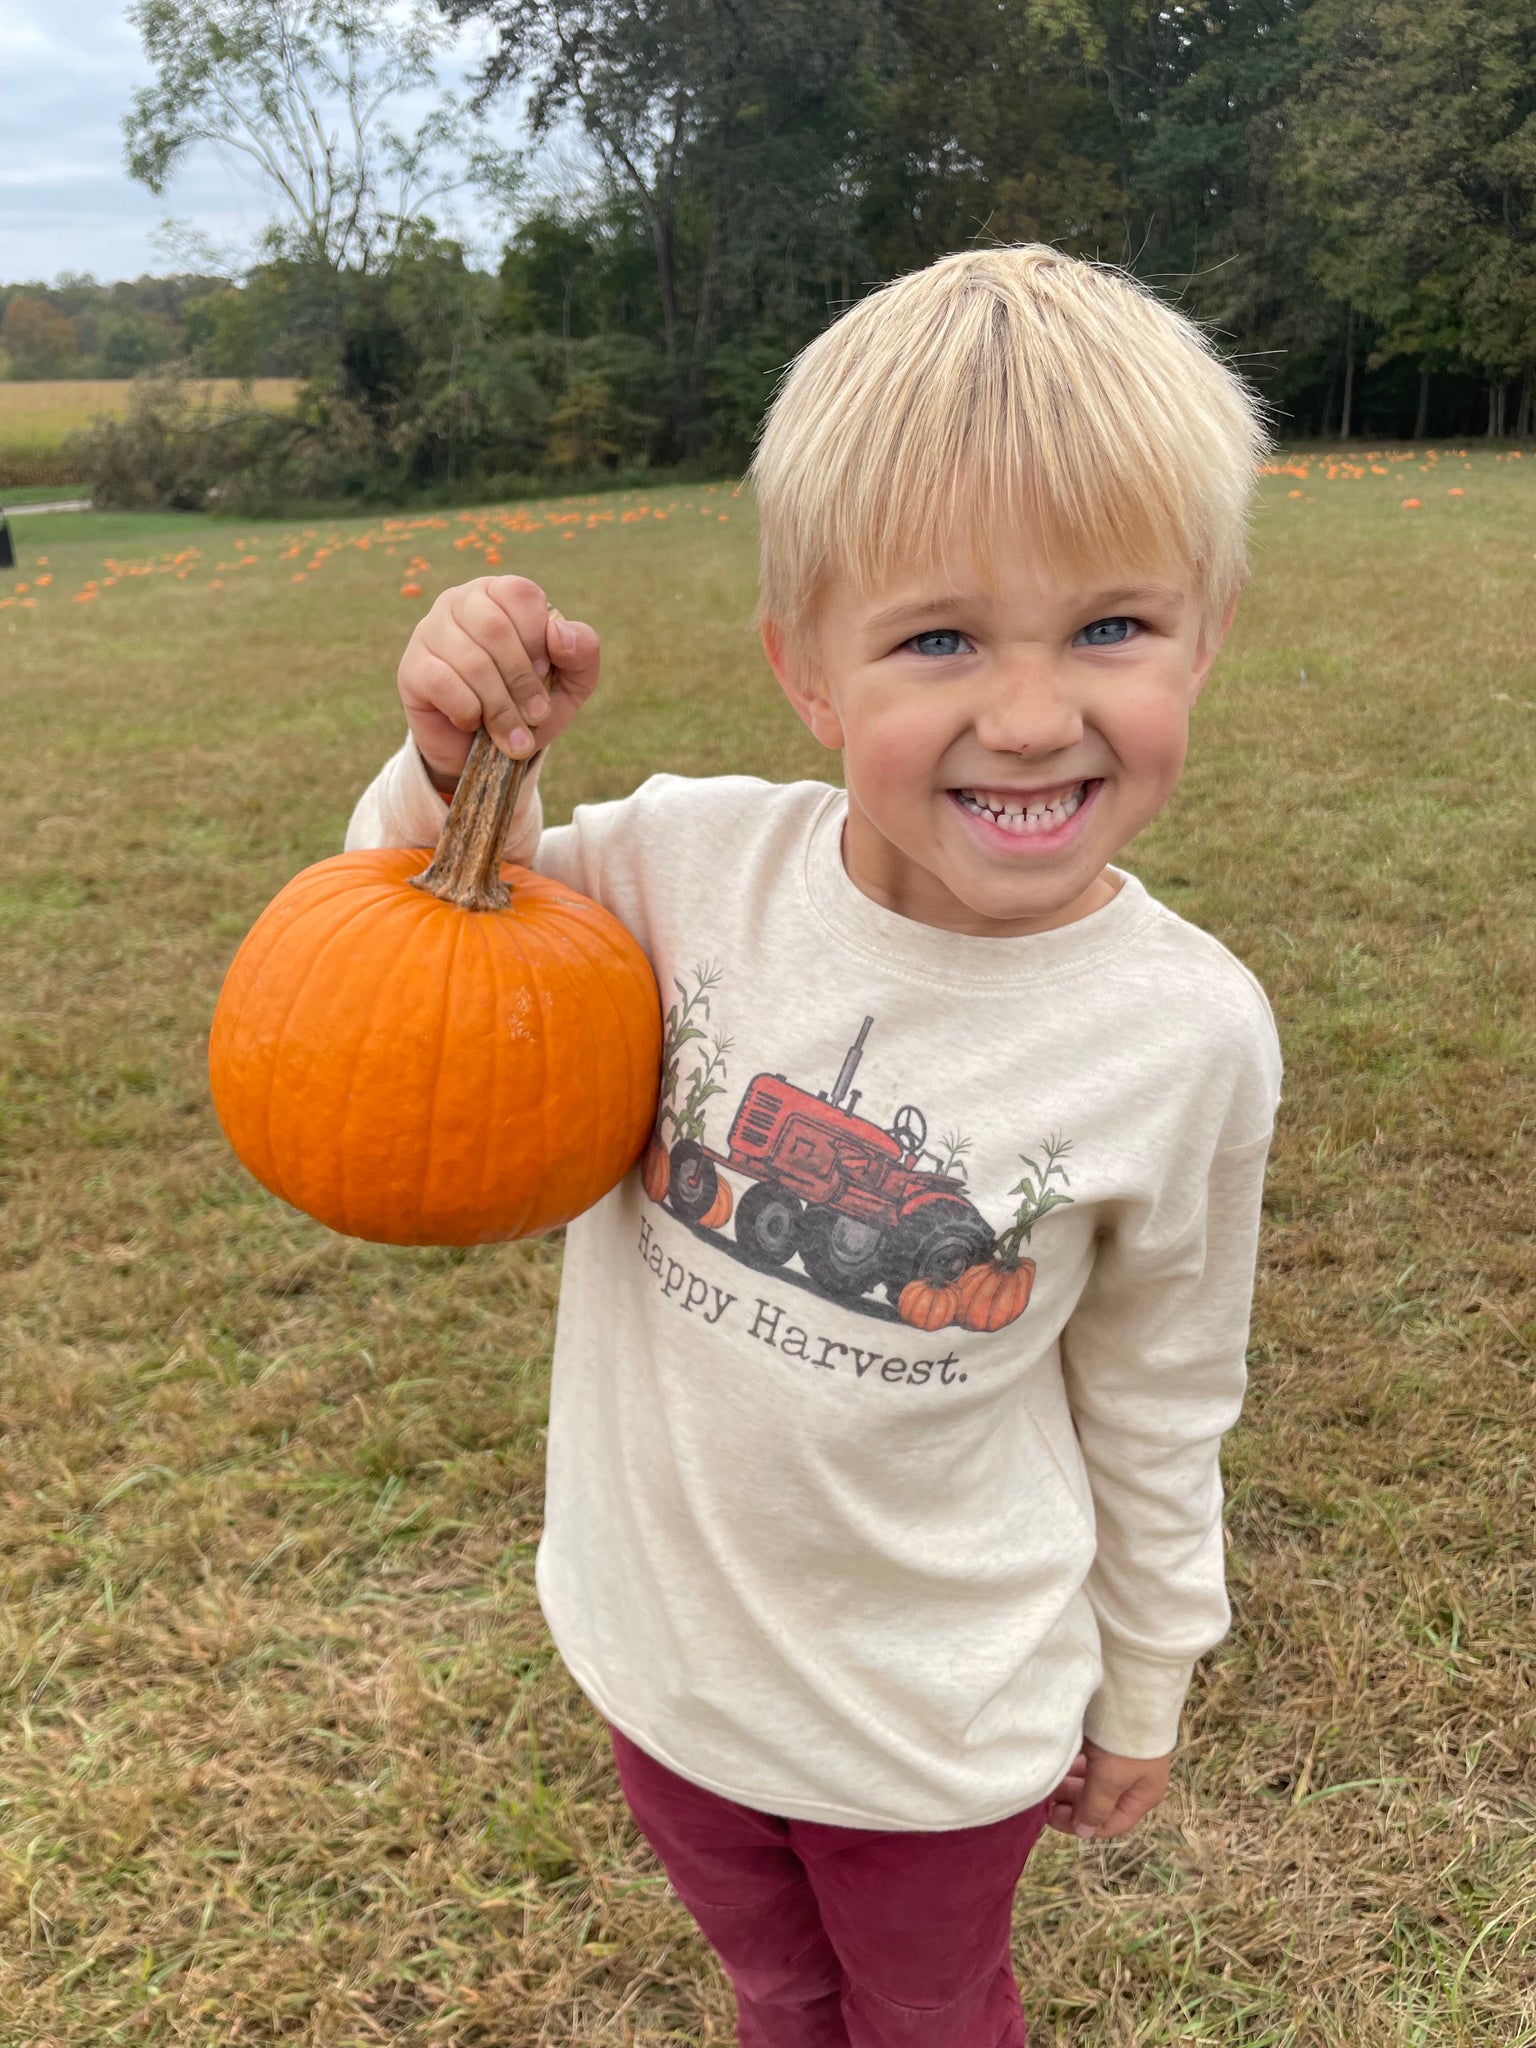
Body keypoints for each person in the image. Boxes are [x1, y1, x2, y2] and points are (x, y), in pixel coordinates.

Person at [346, 244, 1282, 2048]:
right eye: (939, 638)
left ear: (1207, 632)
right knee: (777, 1990)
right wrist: (454, 756)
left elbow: (1167, 1390)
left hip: (932, 1723)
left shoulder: (1186, 1035)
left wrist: (1148, 1675)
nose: (1028, 715)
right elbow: (410, 933)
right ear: (805, 670)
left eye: (1110, 626)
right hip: (661, 1663)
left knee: (927, 2016)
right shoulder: (678, 868)